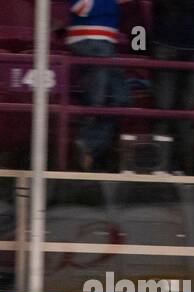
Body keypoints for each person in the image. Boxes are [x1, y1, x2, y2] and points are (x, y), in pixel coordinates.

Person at [66, 0, 130, 171]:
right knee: (97, 101)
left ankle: (88, 149)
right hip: (89, 39)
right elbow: (79, 7)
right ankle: (83, 157)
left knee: (121, 98)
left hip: (106, 43)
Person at [150, 0, 194, 175]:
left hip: (191, 46)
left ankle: (182, 167)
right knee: (164, 110)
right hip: (168, 43)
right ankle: (161, 166)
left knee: (186, 112)